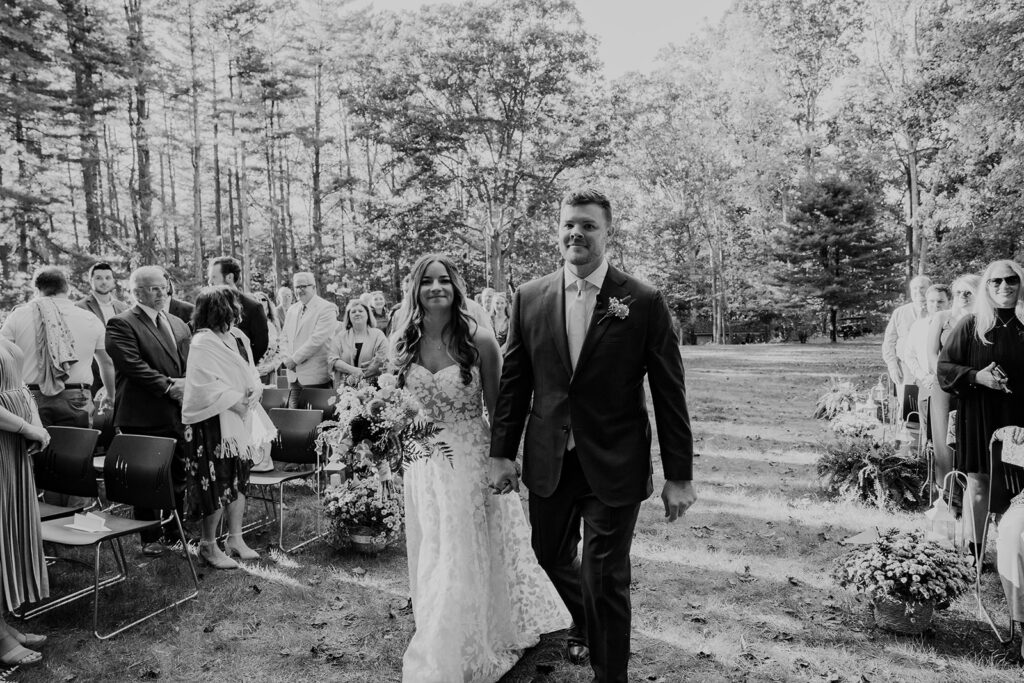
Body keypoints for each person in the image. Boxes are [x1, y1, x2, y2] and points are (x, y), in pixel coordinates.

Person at [488, 189, 696, 683]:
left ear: (608, 233)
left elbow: (670, 393)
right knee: (549, 559)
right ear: (558, 231)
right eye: (568, 225)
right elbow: (515, 382)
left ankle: (610, 675)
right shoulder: (530, 296)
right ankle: (587, 621)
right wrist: (501, 454)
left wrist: (679, 476)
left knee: (604, 574)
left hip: (614, 459)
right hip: (549, 459)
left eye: (588, 225)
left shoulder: (642, 301)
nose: (576, 233)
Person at [396, 253, 568, 682]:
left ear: (456, 288)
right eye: (427, 281)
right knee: (434, 543)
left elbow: (500, 409)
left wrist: (503, 460)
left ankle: (454, 640)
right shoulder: (403, 341)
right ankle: (439, 613)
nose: (436, 288)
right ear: (415, 290)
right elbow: (399, 403)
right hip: (422, 459)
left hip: (469, 456)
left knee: (461, 546)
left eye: (444, 281)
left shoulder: (480, 343)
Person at [938, 260, 1024, 561]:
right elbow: (945, 368)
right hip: (979, 413)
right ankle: (974, 553)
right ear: (986, 286)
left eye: (1011, 280)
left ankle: (1013, 551)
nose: (1004, 287)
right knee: (978, 484)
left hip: (1018, 417)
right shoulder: (971, 325)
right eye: (996, 281)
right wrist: (978, 376)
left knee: (1018, 487)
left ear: (1020, 283)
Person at [181, 287, 272, 569]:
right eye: (233, 306)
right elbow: (205, 385)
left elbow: (250, 371)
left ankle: (235, 538)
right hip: (213, 423)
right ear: (220, 309)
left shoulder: (238, 337)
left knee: (239, 478)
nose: (238, 311)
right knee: (217, 482)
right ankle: (208, 545)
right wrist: (237, 401)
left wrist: (255, 392)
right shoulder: (202, 342)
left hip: (240, 419)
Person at [106, 266, 191, 556]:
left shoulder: (179, 322)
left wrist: (188, 385)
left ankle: (176, 530)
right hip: (142, 412)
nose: (161, 292)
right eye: (153, 288)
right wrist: (170, 387)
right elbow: (132, 365)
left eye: (163, 286)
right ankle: (149, 535)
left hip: (177, 411)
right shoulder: (121, 323)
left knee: (179, 472)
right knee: (146, 478)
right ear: (137, 292)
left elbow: (189, 362)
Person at [1, 267, 116, 428]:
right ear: (66, 288)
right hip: (77, 397)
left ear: (36, 289)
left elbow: (3, 357)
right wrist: (110, 394)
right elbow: (107, 362)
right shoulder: (90, 318)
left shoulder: (18, 316)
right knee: (76, 451)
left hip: (31, 396)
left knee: (32, 452)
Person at [0, 338, 51, 666]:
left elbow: (19, 386)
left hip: (11, 446)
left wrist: (37, 427)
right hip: (4, 443)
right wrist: (25, 427)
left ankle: (1, 623)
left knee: (8, 534)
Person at [927, 274, 980, 491]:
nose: (963, 297)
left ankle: (972, 490)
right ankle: (948, 494)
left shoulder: (983, 319)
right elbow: (931, 355)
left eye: (968, 292)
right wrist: (945, 376)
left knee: (969, 441)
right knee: (945, 444)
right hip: (945, 388)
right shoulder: (942, 318)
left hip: (974, 387)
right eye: (958, 293)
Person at [903, 283, 951, 460]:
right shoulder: (919, 326)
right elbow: (909, 355)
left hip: (949, 385)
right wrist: (924, 377)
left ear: (948, 302)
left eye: (940, 301)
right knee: (927, 430)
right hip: (926, 383)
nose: (936, 306)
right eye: (931, 301)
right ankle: (927, 470)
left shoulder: (956, 325)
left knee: (946, 432)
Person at [281, 272, 337, 408]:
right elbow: (284, 337)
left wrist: (294, 360)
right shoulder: (292, 309)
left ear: (314, 287)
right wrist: (286, 359)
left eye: (303, 286)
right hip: (293, 377)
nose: (299, 290)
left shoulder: (326, 308)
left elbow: (317, 340)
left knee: (319, 423)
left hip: (316, 376)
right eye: (296, 287)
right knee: (295, 419)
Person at [883, 275, 932, 422]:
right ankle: (906, 441)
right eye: (914, 288)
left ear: (929, 289)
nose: (918, 291)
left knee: (928, 408)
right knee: (906, 409)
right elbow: (889, 342)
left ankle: (928, 442)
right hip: (905, 369)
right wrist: (892, 366)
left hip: (929, 370)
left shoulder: (937, 310)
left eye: (922, 288)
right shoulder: (900, 312)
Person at [77, 262, 129, 396]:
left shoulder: (123, 308)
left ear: (113, 281)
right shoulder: (79, 307)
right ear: (91, 281)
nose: (104, 282)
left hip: (122, 371)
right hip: (94, 370)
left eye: (108, 278)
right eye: (99, 278)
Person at [207, 256, 269, 364]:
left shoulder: (253, 307)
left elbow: (261, 345)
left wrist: (243, 365)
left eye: (214, 277)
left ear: (229, 277)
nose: (210, 281)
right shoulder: (207, 306)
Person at [327, 300, 387, 388]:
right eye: (353, 312)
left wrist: (363, 374)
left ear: (368, 314)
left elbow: (383, 359)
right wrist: (353, 370)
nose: (357, 313)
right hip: (345, 388)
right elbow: (332, 360)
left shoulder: (378, 335)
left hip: (372, 388)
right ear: (349, 316)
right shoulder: (340, 336)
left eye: (360, 311)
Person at [252, 291, 285, 381]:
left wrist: (272, 366)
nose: (260, 301)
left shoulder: (273, 324)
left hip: (270, 371)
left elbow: (281, 348)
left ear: (268, 303)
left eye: (263, 299)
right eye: (256, 299)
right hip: (253, 372)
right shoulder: (248, 325)